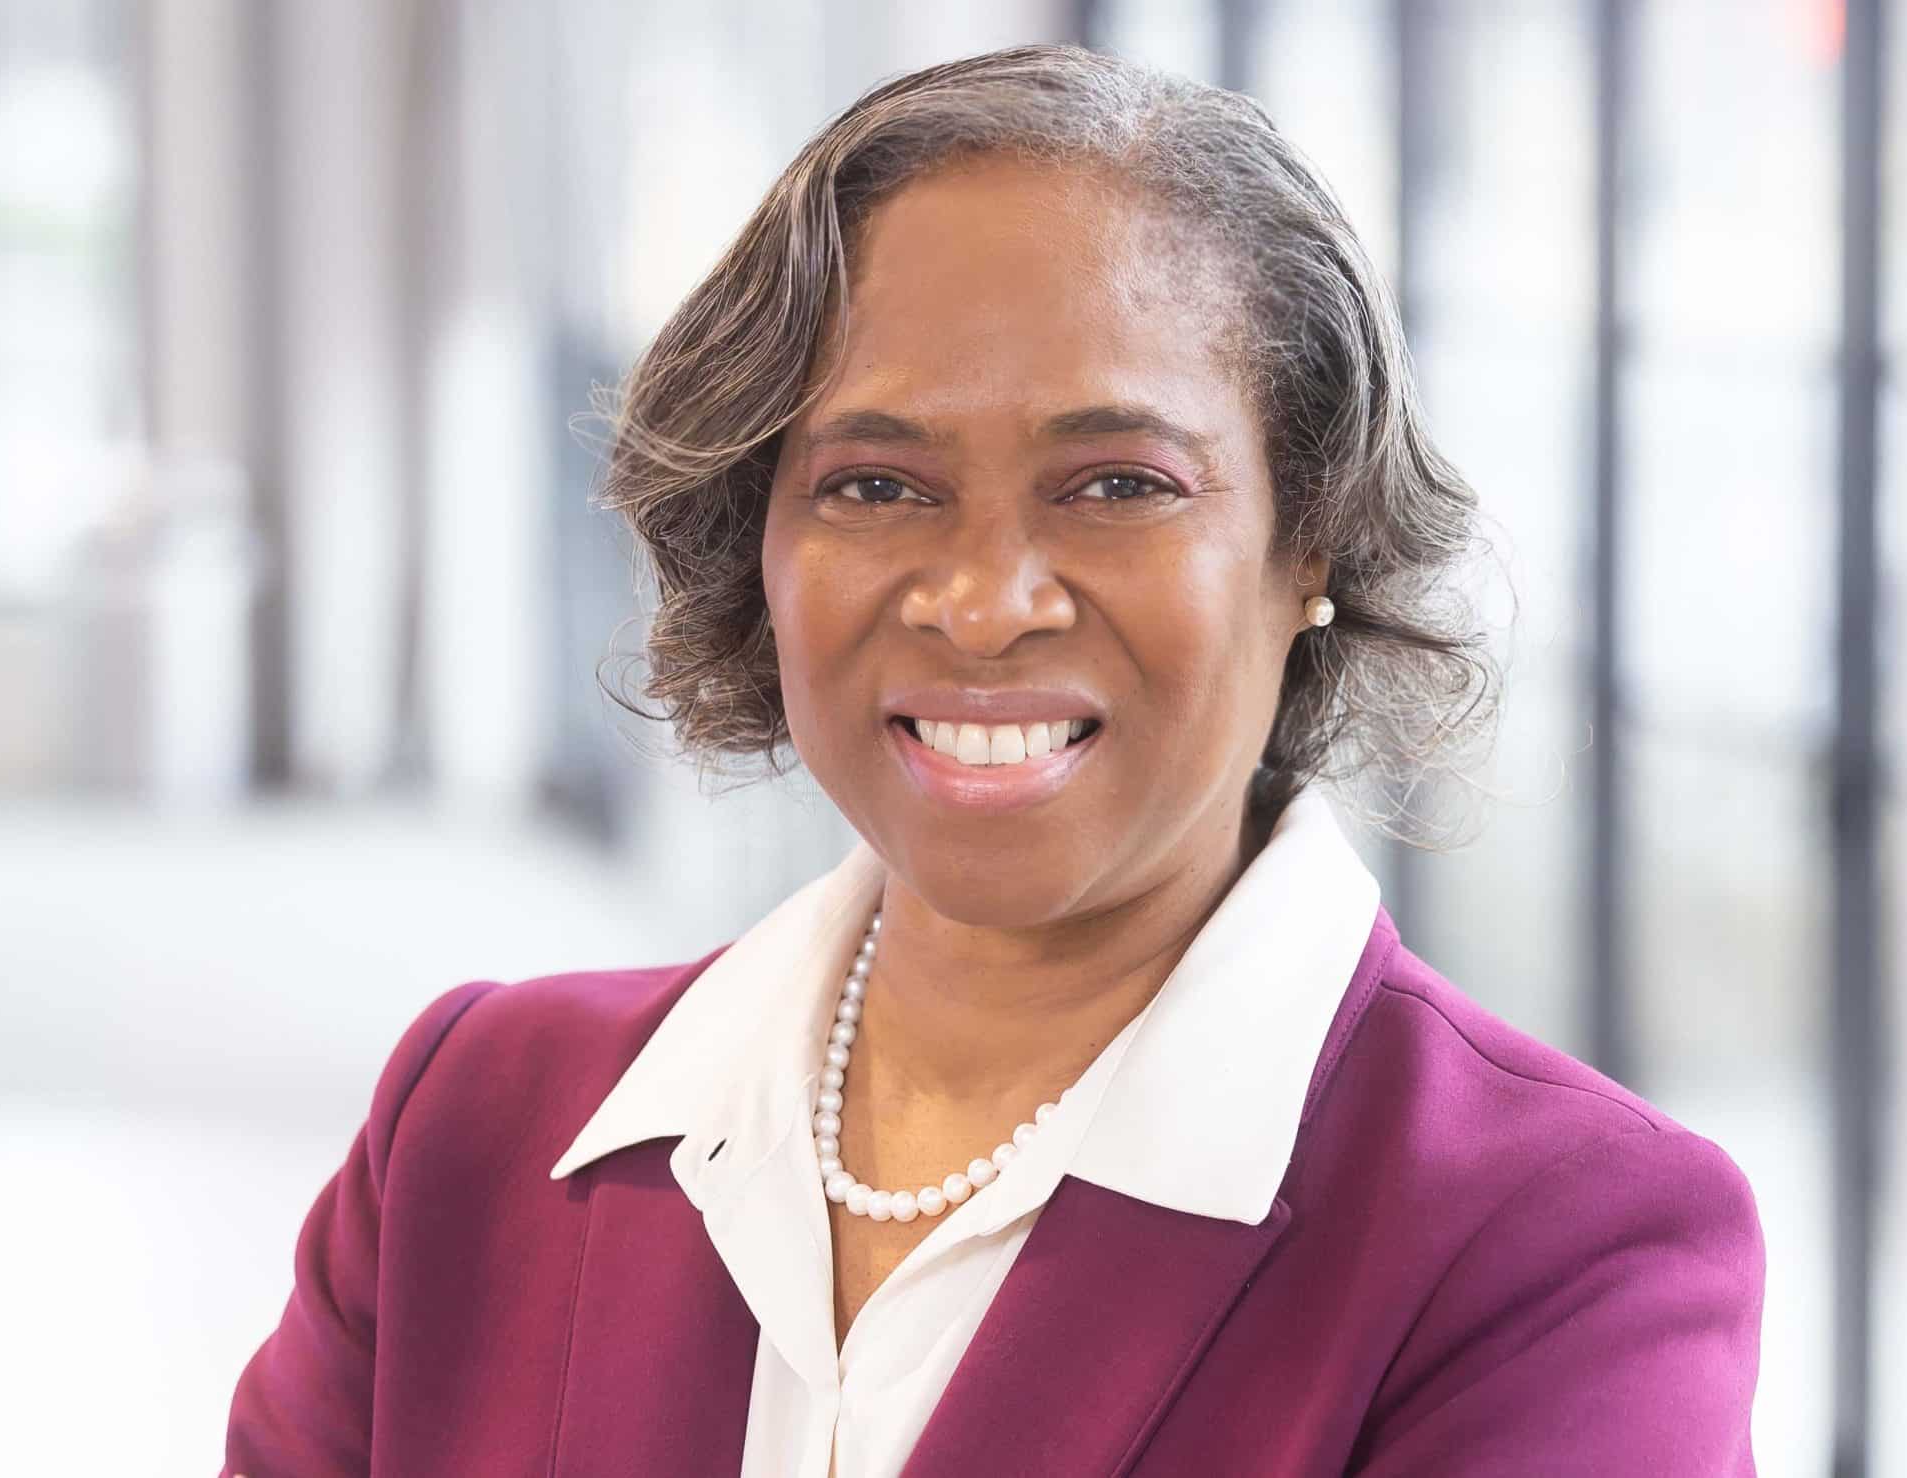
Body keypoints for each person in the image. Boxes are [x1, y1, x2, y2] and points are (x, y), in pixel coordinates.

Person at [223, 43, 1764, 1477]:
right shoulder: (475, 1121)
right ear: (759, 536)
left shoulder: (1558, 1249)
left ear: (1313, 542)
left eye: (1117, 483)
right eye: (877, 484)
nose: (982, 601)